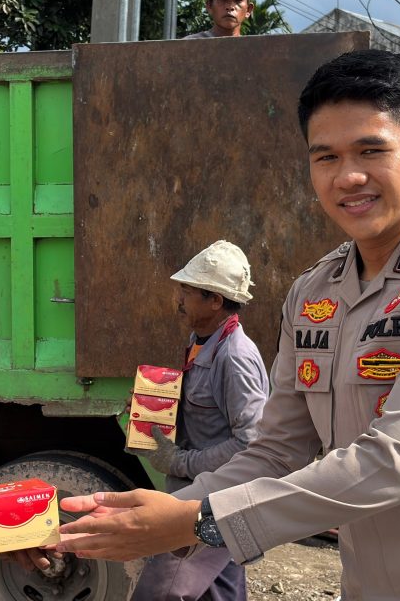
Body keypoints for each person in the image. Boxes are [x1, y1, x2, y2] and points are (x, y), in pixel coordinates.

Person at [56, 50, 400, 601]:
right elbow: (275, 451)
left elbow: (389, 464)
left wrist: (194, 522)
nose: (348, 176)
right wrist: (141, 512)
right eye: (325, 157)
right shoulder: (314, 292)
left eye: (372, 150)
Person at [129, 240, 269, 601]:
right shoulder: (202, 341)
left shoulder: (235, 357)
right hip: (211, 500)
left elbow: (252, 441)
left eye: (187, 292)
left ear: (216, 300)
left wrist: (180, 461)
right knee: (220, 592)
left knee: (160, 591)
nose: (179, 299)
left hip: (212, 504)